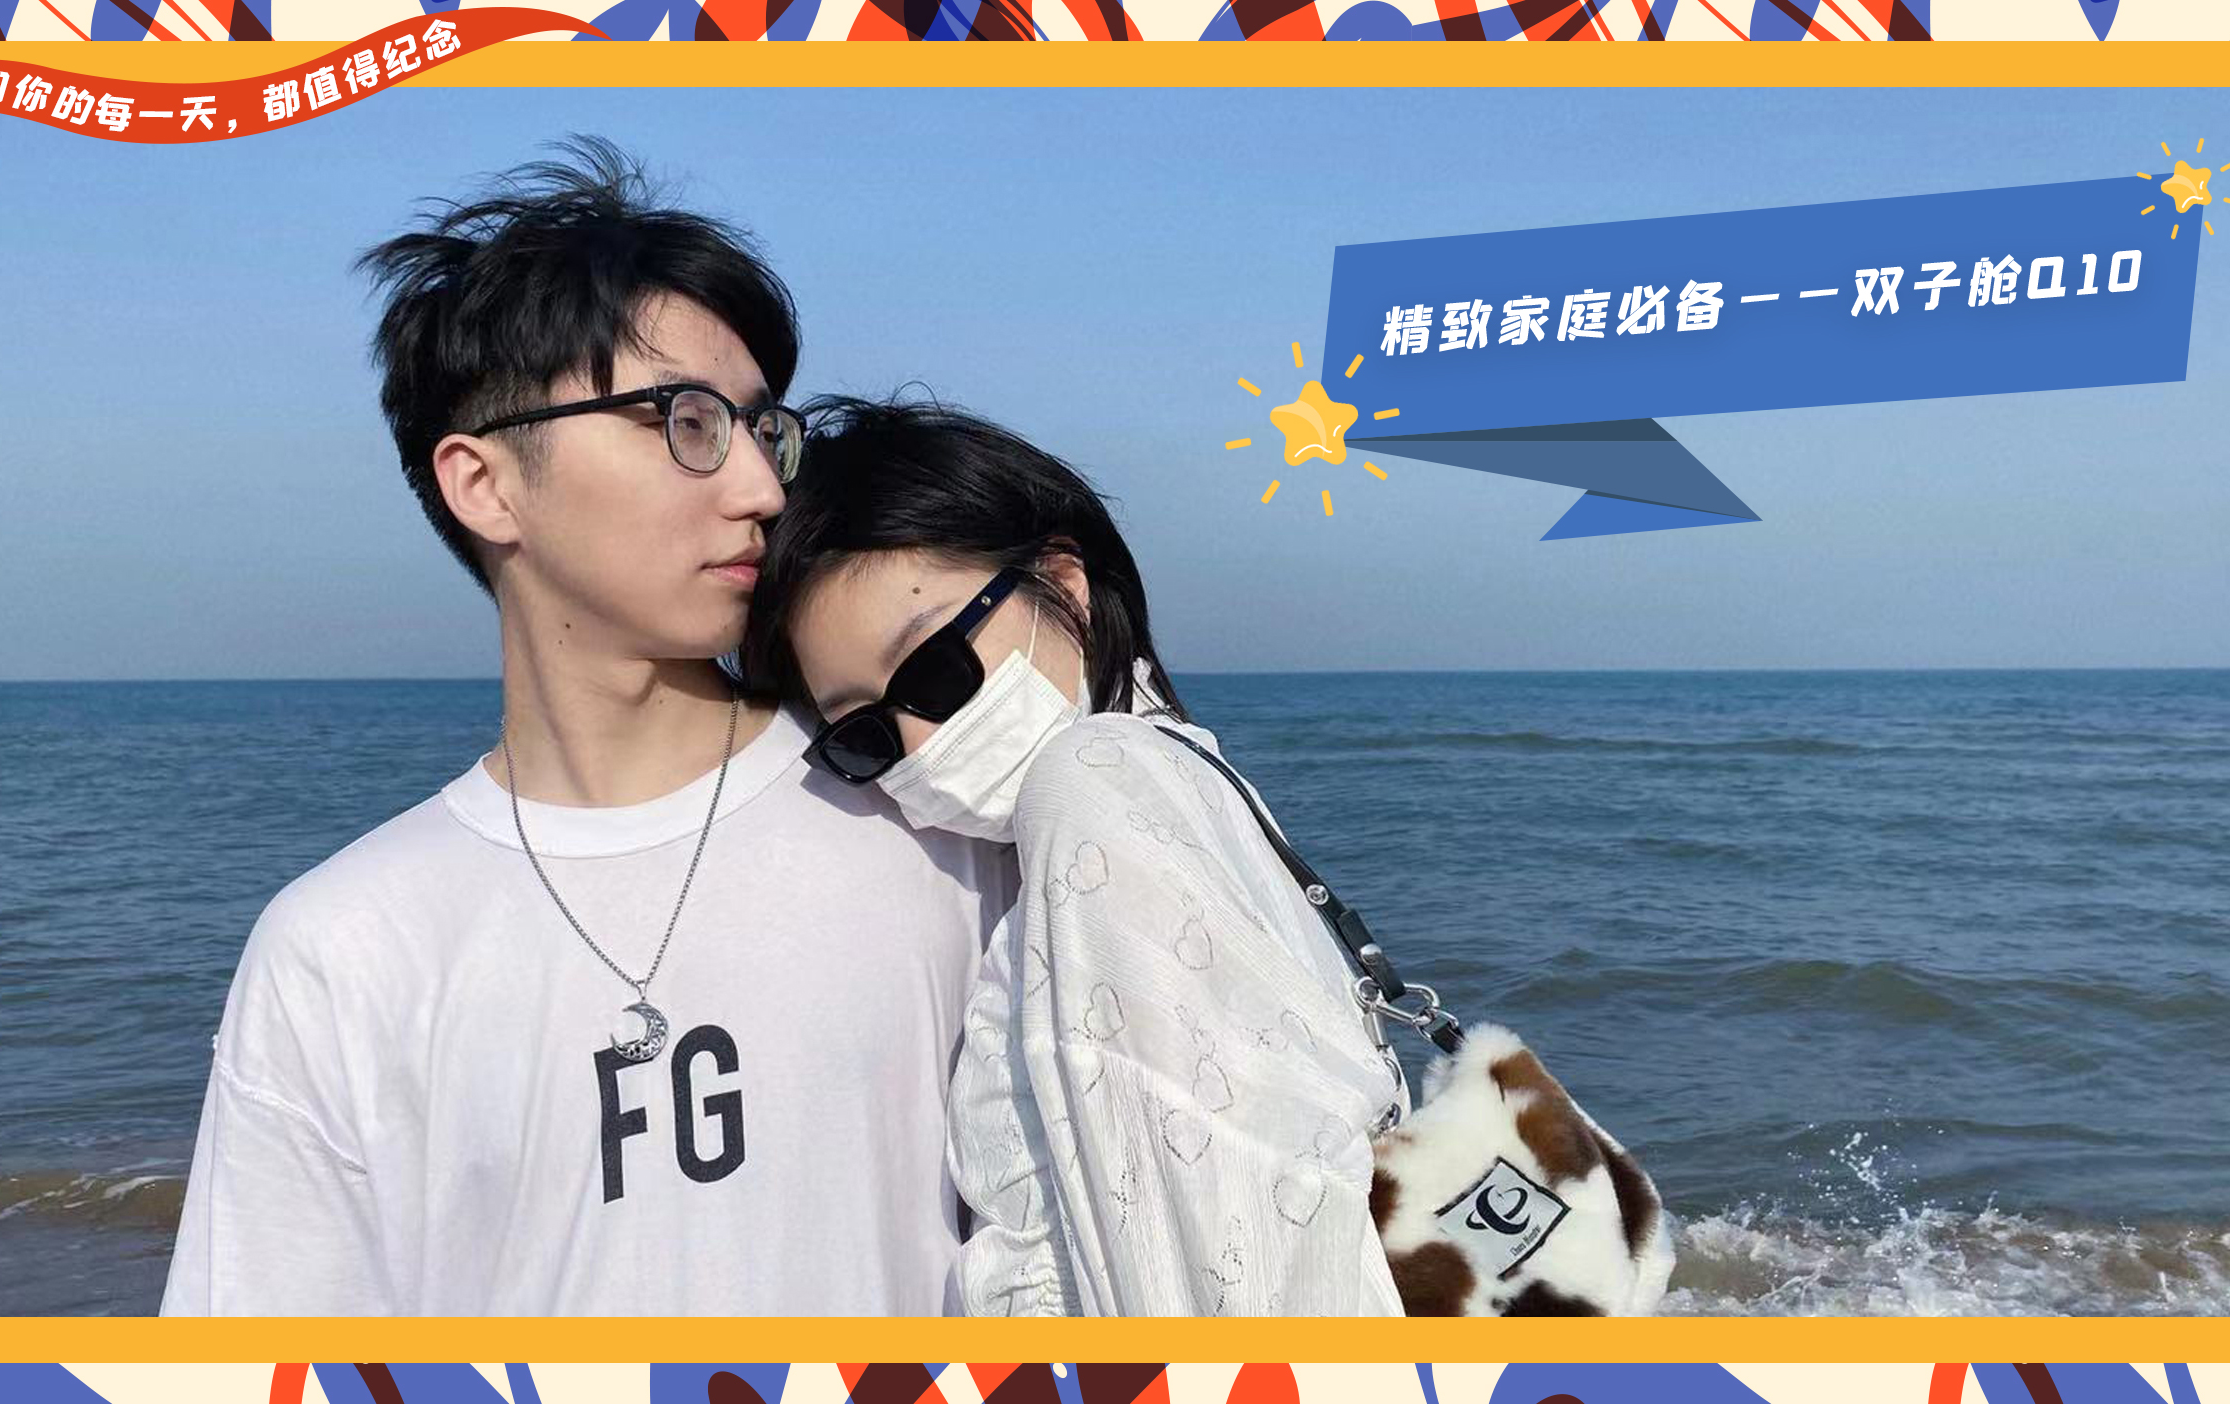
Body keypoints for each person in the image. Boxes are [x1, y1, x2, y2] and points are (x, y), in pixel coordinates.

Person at [159, 142, 1009, 1316]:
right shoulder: (343, 948)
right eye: (687, 422)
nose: (762, 489)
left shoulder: (930, 813)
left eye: (764, 430)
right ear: (484, 485)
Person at [740, 397, 1409, 1317]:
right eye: (866, 735)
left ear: (1064, 582)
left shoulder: (1097, 781)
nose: (920, 742)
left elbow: (1225, 1272)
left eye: (934, 670)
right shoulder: (1189, 782)